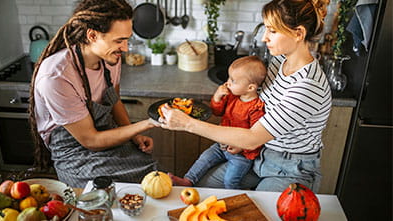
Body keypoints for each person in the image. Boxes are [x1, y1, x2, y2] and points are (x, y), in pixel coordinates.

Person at [159, 0, 331, 192]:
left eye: (272, 31)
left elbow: (252, 138)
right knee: (201, 190)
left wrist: (187, 124)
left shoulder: (307, 86)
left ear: (298, 33)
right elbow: (256, 110)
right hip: (258, 156)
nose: (265, 38)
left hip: (290, 169)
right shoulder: (279, 61)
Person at [28, 0, 157, 188]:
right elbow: (90, 140)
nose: (126, 48)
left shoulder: (110, 58)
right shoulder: (56, 77)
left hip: (105, 134)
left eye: (127, 39)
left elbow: (114, 101)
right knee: (112, 192)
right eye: (119, 40)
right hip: (74, 152)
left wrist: (134, 137)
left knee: (152, 173)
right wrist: (148, 123)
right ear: (92, 35)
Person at [169, 56, 267, 189]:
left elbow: (258, 137)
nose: (228, 83)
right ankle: (188, 181)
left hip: (241, 155)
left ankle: (234, 197)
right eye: (229, 78)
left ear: (250, 88)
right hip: (221, 145)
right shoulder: (232, 96)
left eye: (233, 81)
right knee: (204, 159)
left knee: (230, 180)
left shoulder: (256, 108)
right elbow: (217, 111)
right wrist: (217, 96)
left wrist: (241, 147)